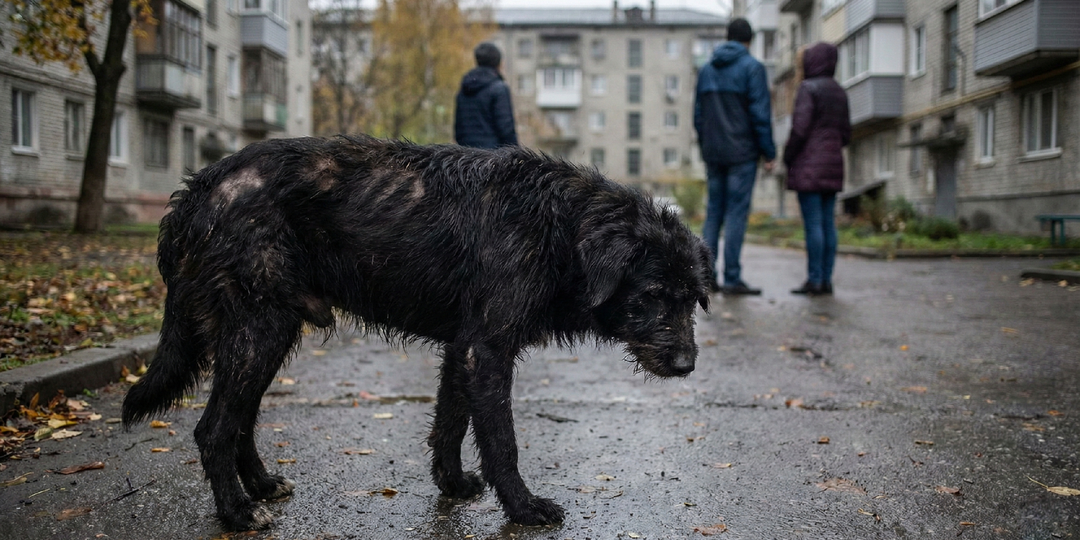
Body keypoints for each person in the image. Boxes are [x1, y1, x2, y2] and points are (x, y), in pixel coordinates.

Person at [693, 18, 776, 295]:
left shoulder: (706, 70)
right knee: (736, 214)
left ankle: (706, 277)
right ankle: (732, 278)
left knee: (713, 213)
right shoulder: (752, 68)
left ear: (727, 38)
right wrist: (769, 152)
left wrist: (707, 146)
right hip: (742, 153)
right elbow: (760, 115)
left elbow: (698, 117)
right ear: (749, 40)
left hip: (714, 153)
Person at [782, 42, 851, 296]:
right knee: (827, 224)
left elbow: (800, 128)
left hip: (809, 167)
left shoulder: (808, 88)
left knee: (813, 225)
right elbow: (846, 134)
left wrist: (788, 156)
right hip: (833, 166)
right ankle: (826, 280)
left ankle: (814, 280)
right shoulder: (840, 91)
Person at [454, 42, 518, 149]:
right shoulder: (499, 88)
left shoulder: (464, 89)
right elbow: (506, 130)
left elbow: (459, 130)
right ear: (498, 63)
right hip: (492, 159)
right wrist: (517, 156)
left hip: (465, 158)